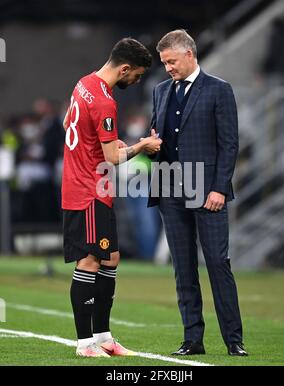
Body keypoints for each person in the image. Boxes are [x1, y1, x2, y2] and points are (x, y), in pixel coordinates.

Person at [147, 30, 248, 356]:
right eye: (164, 63)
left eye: (171, 61)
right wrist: (148, 146)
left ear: (189, 54)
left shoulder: (219, 89)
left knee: (218, 263)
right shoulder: (161, 91)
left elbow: (229, 144)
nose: (167, 69)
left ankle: (234, 340)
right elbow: (156, 135)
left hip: (208, 192)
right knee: (183, 268)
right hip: (169, 190)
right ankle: (193, 340)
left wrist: (220, 188)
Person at [62, 38, 162, 358]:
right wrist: (140, 146)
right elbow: (114, 159)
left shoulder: (84, 83)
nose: (137, 81)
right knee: (89, 261)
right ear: (125, 68)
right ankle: (84, 344)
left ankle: (103, 336)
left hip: (94, 188)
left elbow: (69, 124)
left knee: (111, 258)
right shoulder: (105, 101)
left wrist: (102, 141)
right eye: (138, 75)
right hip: (88, 189)